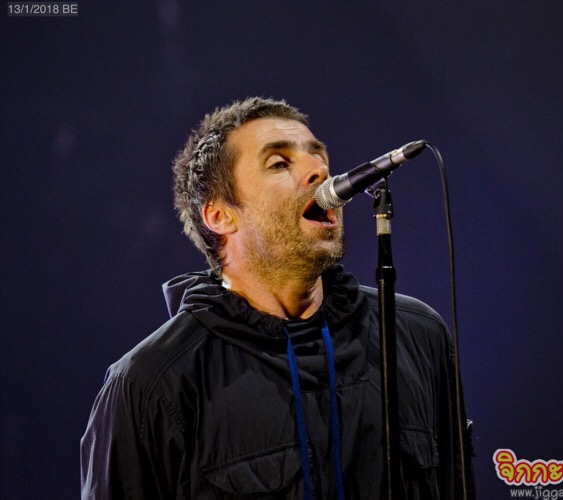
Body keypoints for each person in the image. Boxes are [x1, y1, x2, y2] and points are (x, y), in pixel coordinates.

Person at [80, 97, 475, 499]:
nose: (320, 171)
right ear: (219, 215)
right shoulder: (149, 385)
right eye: (279, 164)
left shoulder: (417, 335)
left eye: (319, 157)